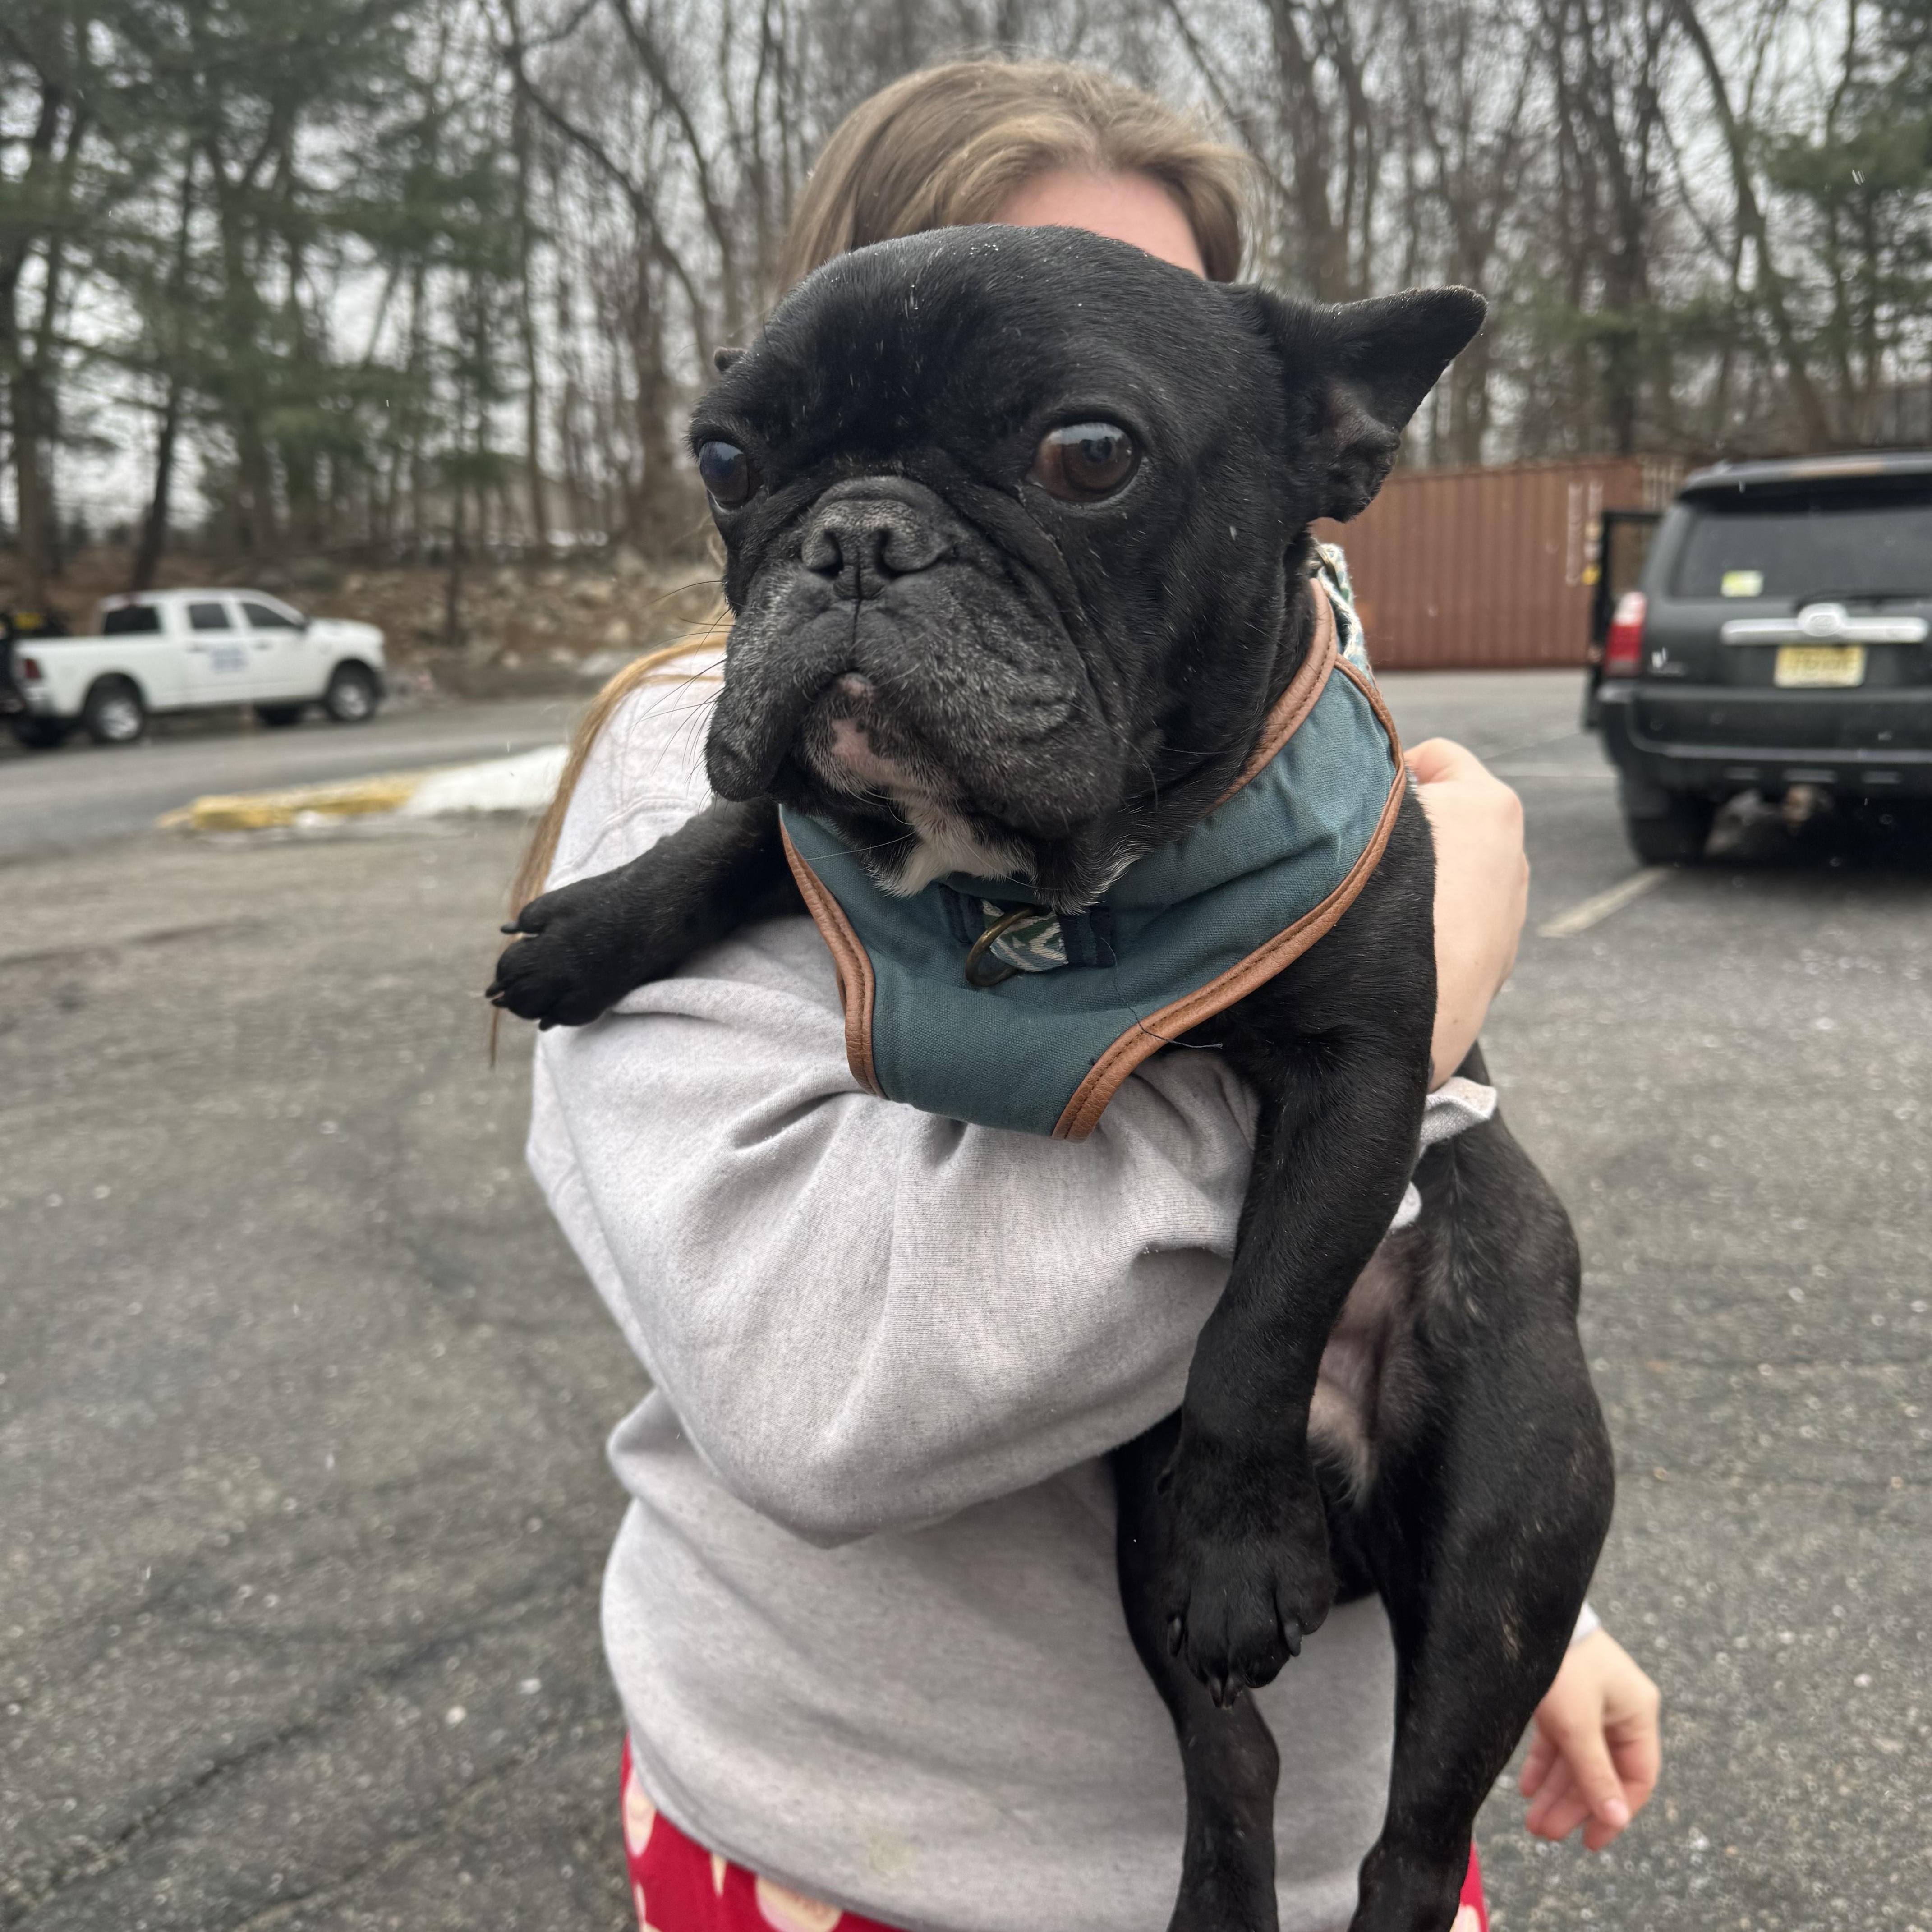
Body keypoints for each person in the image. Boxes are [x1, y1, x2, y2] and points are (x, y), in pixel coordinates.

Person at [515, 57, 1660, 1932]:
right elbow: (823, 1399)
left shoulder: (1298, 745)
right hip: (870, 1846)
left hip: (1334, 1840)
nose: (871, 543)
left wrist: (1549, 1607)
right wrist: (1430, 996)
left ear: (1295, 446)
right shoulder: (685, 786)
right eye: (766, 467)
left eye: (1079, 447)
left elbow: (1435, 1243)